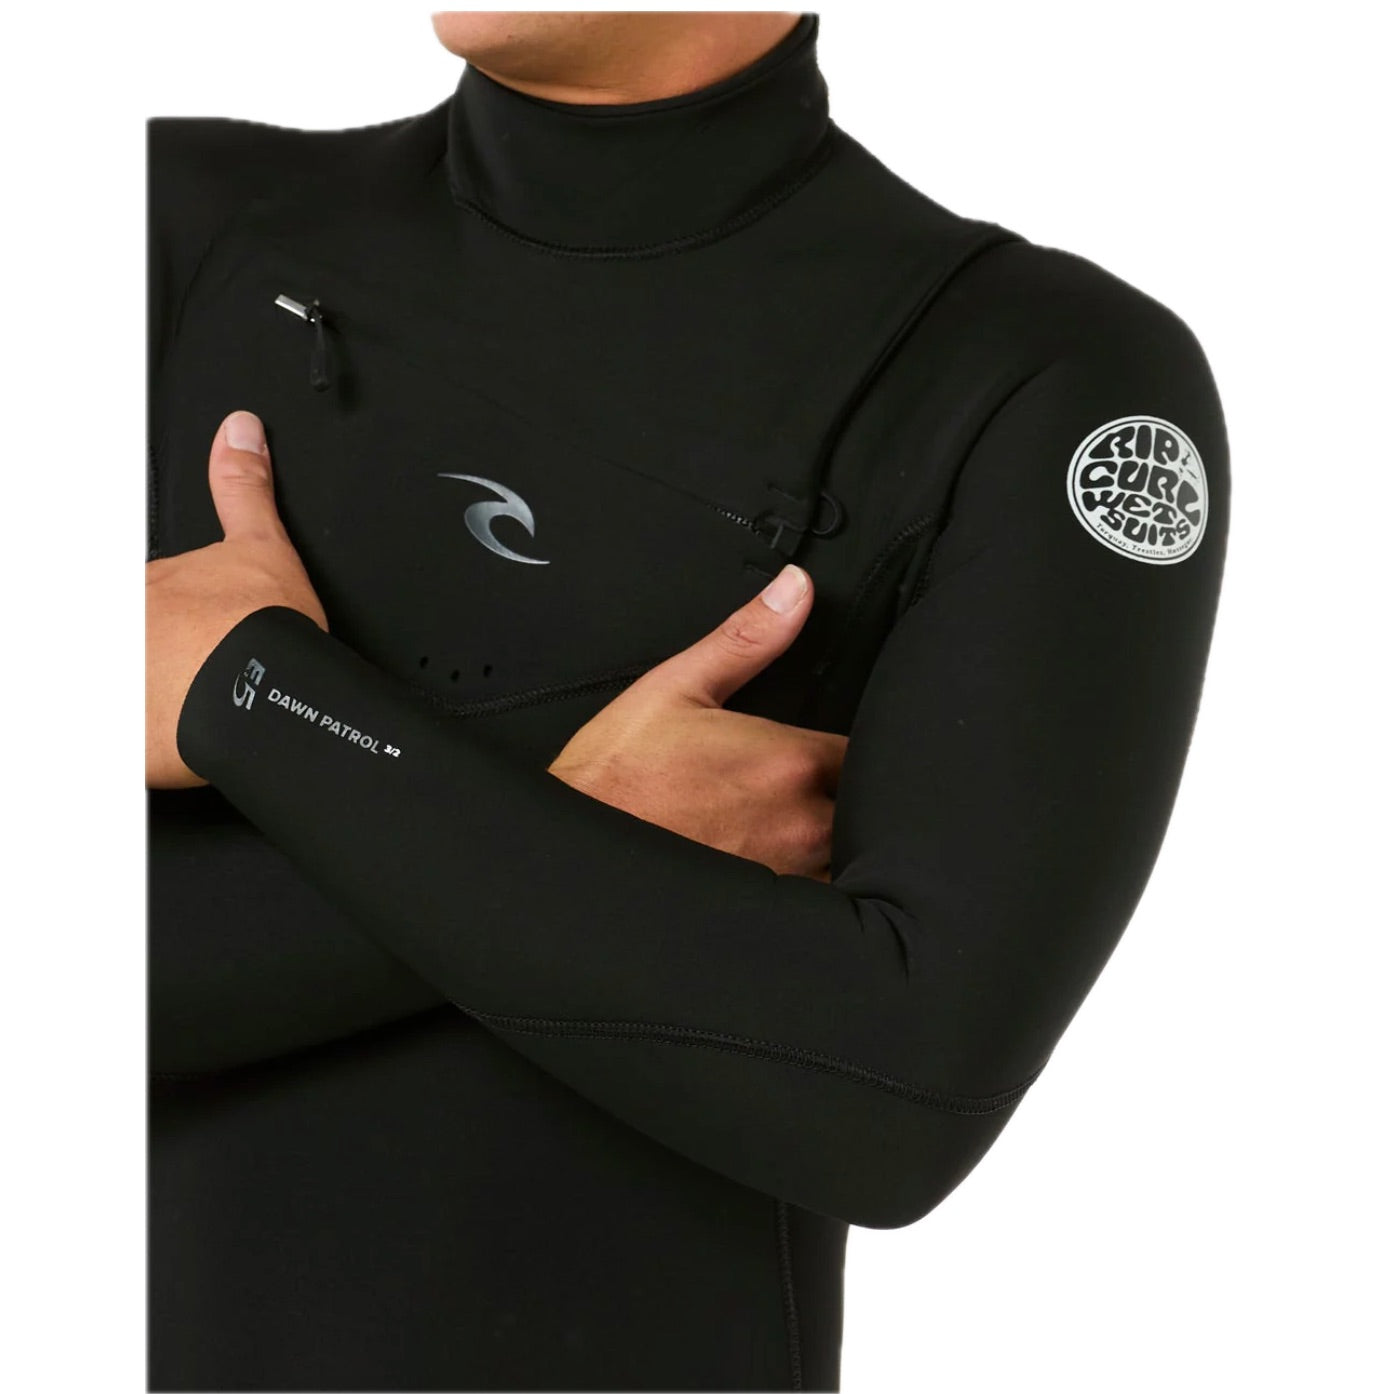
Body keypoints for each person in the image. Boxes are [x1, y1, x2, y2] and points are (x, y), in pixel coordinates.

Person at [145, 11, 1229, 1391]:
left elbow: (895, 1099)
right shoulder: (171, 226)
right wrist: (587, 819)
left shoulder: (1044, 376)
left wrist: (249, 692)